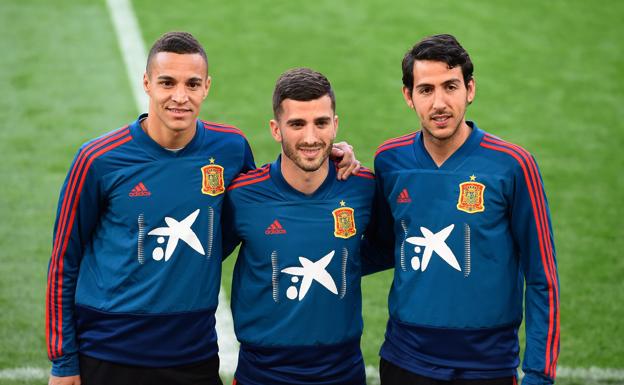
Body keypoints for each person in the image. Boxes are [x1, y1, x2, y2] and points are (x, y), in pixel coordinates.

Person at [46, 32, 359, 385]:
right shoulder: (98, 159)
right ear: (147, 83)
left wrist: (329, 154)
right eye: (167, 83)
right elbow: (64, 260)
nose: (180, 96)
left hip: (194, 354)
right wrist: (63, 361)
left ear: (207, 86)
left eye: (192, 84)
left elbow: (257, 206)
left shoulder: (230, 149)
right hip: (108, 352)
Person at [370, 34, 560, 385]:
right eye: (426, 90)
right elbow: (381, 246)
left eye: (450, 86)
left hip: (487, 367)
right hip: (404, 361)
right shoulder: (389, 161)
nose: (439, 103)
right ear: (408, 96)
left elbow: (542, 275)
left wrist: (539, 372)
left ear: (469, 90)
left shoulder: (514, 165)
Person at [222, 67, 376, 385]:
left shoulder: (363, 187)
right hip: (262, 374)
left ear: (335, 125)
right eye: (296, 124)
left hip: (342, 373)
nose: (310, 137)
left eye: (320, 123)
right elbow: (203, 258)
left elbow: (389, 245)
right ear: (276, 129)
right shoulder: (242, 196)